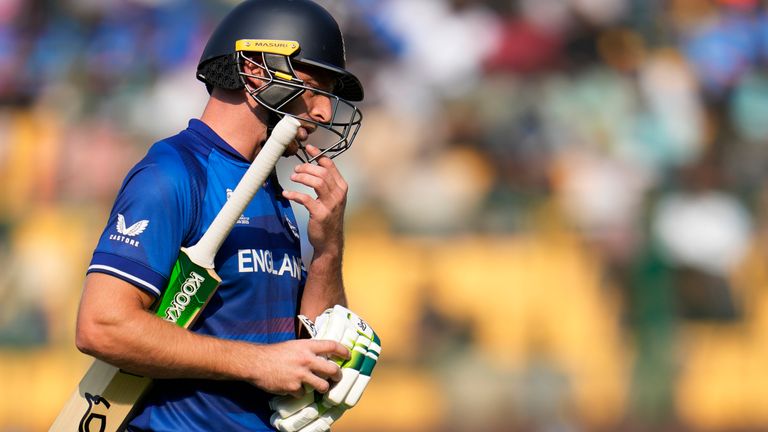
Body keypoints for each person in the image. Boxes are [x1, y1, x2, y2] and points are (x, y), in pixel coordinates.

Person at [74, 0, 364, 430]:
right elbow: (102, 326)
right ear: (255, 72)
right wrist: (256, 363)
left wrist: (328, 248)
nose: (324, 113)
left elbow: (311, 348)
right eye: (313, 87)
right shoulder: (173, 171)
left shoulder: (271, 190)